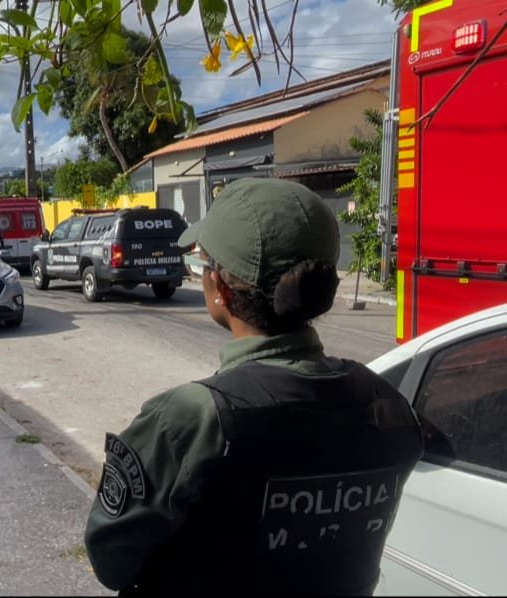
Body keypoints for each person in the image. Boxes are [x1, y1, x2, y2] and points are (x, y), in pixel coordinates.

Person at [84, 178, 423, 596]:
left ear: (219, 289)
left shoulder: (190, 419)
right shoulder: (387, 405)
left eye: (202, 266)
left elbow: (111, 559)